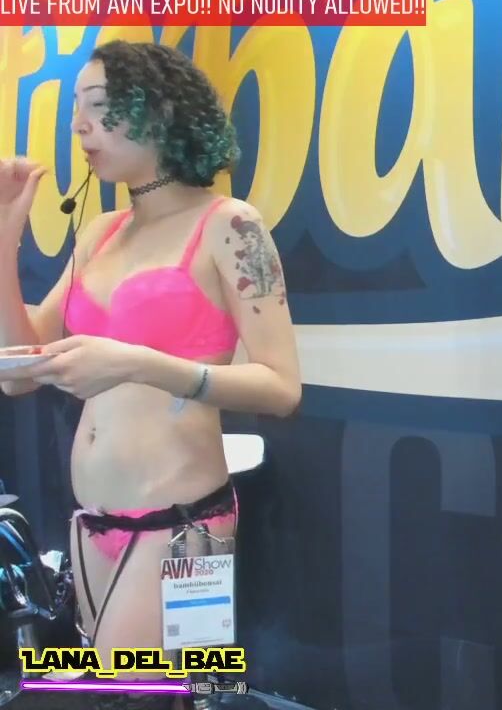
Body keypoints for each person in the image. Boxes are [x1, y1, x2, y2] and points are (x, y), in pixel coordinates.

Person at [0, 39, 300, 708]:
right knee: (136, 694)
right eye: (76, 110)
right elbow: (18, 373)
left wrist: (138, 363)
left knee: (123, 695)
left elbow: (282, 387)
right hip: (93, 523)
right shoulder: (100, 234)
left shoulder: (229, 225)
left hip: (182, 524)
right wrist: (4, 234)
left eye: (99, 106)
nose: (80, 127)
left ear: (159, 111)